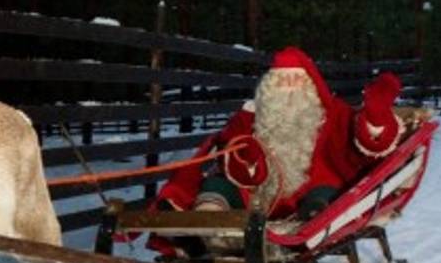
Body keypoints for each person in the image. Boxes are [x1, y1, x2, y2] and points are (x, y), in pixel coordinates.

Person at [156, 46, 404, 223]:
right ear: (268, 88)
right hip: (258, 199)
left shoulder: (332, 113)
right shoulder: (250, 117)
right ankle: (210, 230)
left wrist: (376, 114)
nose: (287, 91)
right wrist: (246, 158)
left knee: (324, 199)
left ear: (310, 86)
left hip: (313, 193)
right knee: (216, 186)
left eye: (295, 82)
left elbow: (362, 143)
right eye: (280, 82)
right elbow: (228, 152)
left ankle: (314, 225)